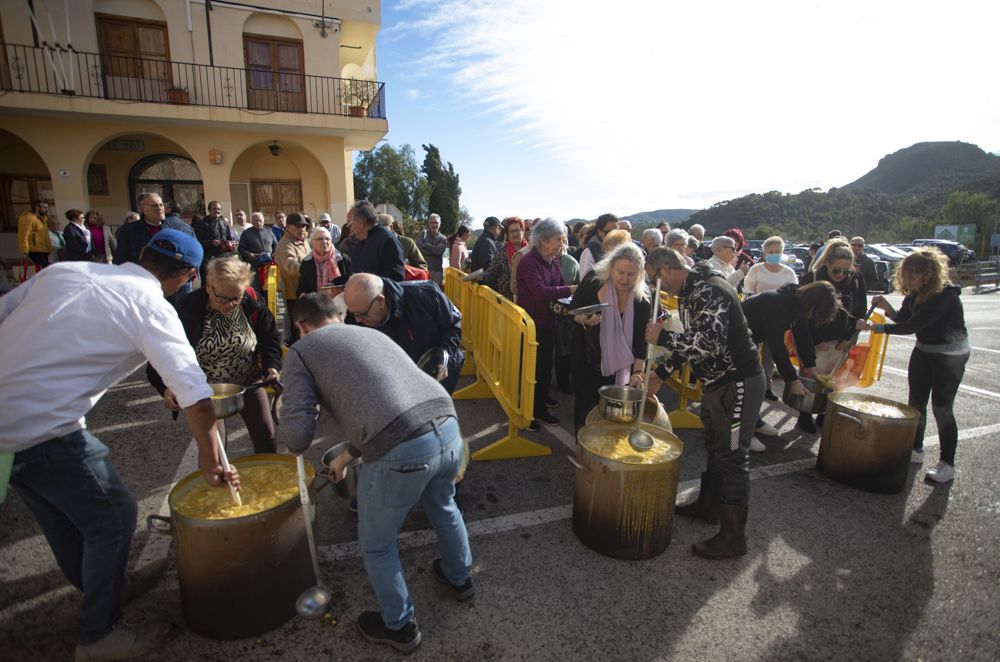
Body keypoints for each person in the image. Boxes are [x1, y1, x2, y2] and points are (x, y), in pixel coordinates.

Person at [0, 230, 238, 661]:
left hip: (8, 432)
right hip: (45, 426)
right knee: (113, 517)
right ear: (186, 276)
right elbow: (197, 395)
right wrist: (208, 458)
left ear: (142, 253)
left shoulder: (63, 270)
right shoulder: (150, 306)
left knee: (61, 514)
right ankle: (98, 636)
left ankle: (102, 586)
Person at [280, 293, 472, 654]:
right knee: (443, 504)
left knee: (377, 544)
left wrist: (290, 432)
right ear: (337, 315)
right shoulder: (371, 333)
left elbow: (298, 434)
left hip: (401, 449)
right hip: (446, 425)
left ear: (300, 327)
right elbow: (388, 400)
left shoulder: (303, 351)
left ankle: (399, 626)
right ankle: (460, 578)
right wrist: (348, 455)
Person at [644, 248, 764, 560]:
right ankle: (709, 506)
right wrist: (661, 372)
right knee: (715, 445)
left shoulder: (708, 290)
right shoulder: (691, 290)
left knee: (734, 455)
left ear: (667, 270)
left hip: (738, 385)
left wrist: (662, 339)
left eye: (654, 279)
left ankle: (733, 536)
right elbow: (693, 340)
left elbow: (709, 343)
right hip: (717, 384)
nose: (657, 287)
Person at [148, 256, 281, 454]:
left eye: (236, 298)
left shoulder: (251, 300)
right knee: (213, 451)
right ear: (209, 287)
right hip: (206, 388)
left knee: (267, 441)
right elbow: (163, 352)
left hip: (249, 380)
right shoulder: (186, 309)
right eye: (223, 298)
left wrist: (271, 365)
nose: (230, 304)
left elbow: (269, 336)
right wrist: (167, 387)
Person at [868, 248, 969, 484]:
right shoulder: (914, 293)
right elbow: (903, 319)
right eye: (905, 276)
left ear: (928, 276)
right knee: (915, 403)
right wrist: (886, 308)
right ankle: (916, 449)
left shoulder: (945, 296)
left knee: (942, 408)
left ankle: (947, 463)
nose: (907, 281)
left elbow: (910, 326)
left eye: (913, 277)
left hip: (950, 356)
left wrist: (872, 327)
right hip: (924, 350)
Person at [568, 243, 652, 433]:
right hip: (587, 359)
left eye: (631, 274)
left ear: (639, 274)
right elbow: (571, 312)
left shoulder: (642, 298)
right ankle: (583, 452)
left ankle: (606, 457)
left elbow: (641, 338)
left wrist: (638, 372)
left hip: (623, 366)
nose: (624, 279)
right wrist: (583, 320)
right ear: (610, 267)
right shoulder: (593, 281)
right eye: (620, 272)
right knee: (586, 412)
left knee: (614, 417)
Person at [344, 273, 464, 393]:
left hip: (437, 370)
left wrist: (444, 354)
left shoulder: (424, 294)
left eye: (363, 314)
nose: (358, 320)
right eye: (353, 314)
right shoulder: (356, 315)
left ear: (381, 301)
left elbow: (454, 323)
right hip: (396, 381)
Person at [797, 238, 868, 432]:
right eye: (836, 270)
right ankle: (804, 414)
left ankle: (824, 413)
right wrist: (817, 340)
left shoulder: (855, 279)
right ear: (827, 263)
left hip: (842, 340)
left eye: (846, 271)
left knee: (835, 379)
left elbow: (860, 309)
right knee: (812, 377)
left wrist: (848, 338)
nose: (841, 275)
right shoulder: (812, 279)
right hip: (815, 339)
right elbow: (803, 316)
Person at [516, 218, 578, 429]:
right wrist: (571, 290)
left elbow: (559, 284)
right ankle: (531, 412)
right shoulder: (528, 262)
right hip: (532, 324)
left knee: (543, 368)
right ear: (543, 240)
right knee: (532, 370)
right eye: (558, 240)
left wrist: (572, 297)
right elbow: (541, 292)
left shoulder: (552, 260)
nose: (562, 244)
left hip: (548, 322)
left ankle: (539, 405)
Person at [744, 236, 800, 400]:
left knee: (771, 354)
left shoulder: (788, 273)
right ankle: (751, 384)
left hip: (777, 321)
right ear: (764, 252)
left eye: (777, 252)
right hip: (756, 318)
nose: (774, 254)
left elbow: (794, 296)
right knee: (752, 353)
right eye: (771, 252)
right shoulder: (756, 269)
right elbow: (749, 291)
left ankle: (766, 386)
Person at [346, 200, 405, 281]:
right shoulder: (359, 242)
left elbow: (396, 276)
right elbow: (353, 275)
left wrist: (367, 282)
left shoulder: (388, 240)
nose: (350, 229)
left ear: (360, 223)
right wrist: (334, 283)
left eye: (349, 224)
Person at [276, 212, 310, 342]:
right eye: (298, 226)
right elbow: (290, 265)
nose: (301, 229)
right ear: (288, 227)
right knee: (298, 327)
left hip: (304, 289)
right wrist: (310, 270)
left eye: (304, 226)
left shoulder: (304, 240)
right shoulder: (285, 244)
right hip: (293, 293)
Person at [481, 217, 527, 300]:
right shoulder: (501, 251)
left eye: (517, 230)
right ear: (507, 234)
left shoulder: (530, 251)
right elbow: (492, 271)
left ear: (523, 232)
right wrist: (481, 276)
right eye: (511, 231)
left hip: (526, 300)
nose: (515, 234)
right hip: (506, 302)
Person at [115, 193, 167, 266]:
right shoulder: (128, 230)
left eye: (161, 205)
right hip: (140, 275)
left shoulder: (173, 228)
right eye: (154, 206)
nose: (159, 208)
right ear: (142, 209)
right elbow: (122, 259)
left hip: (168, 275)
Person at [297, 227, 350, 297]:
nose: (324, 242)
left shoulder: (342, 259)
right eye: (320, 239)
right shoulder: (307, 262)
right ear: (312, 243)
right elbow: (302, 288)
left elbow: (350, 280)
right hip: (317, 304)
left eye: (327, 239)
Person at [195, 201, 237, 284]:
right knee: (209, 283)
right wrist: (211, 242)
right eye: (214, 208)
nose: (216, 211)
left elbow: (229, 238)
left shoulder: (224, 223)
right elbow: (196, 242)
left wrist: (232, 243)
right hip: (209, 259)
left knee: (224, 283)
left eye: (218, 209)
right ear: (209, 210)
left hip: (224, 258)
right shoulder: (202, 224)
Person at [238, 211, 277, 294]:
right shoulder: (246, 233)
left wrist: (274, 254)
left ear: (263, 220)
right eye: (256, 221)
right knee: (256, 289)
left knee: (270, 289)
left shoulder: (269, 232)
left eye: (260, 220)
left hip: (269, 265)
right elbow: (240, 248)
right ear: (252, 221)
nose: (258, 223)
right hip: (254, 264)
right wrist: (249, 254)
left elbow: (276, 246)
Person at [579, 213, 619, 277]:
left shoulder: (621, 248)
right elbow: (586, 282)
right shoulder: (590, 251)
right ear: (600, 232)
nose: (614, 236)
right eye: (609, 232)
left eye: (617, 232)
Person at [18, 200, 52, 266]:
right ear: (37, 207)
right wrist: (24, 252)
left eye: (47, 208)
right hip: (34, 252)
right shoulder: (28, 218)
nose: (47, 210)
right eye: (44, 207)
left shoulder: (42, 219)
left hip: (43, 251)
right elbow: (23, 235)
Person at [417, 213, 449, 285]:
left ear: (440, 224)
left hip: (436, 272)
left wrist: (425, 245)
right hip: (422, 270)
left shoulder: (443, 238)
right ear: (428, 223)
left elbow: (439, 251)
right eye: (432, 222)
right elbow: (418, 249)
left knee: (434, 294)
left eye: (436, 223)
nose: (434, 225)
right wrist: (434, 248)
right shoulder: (423, 234)